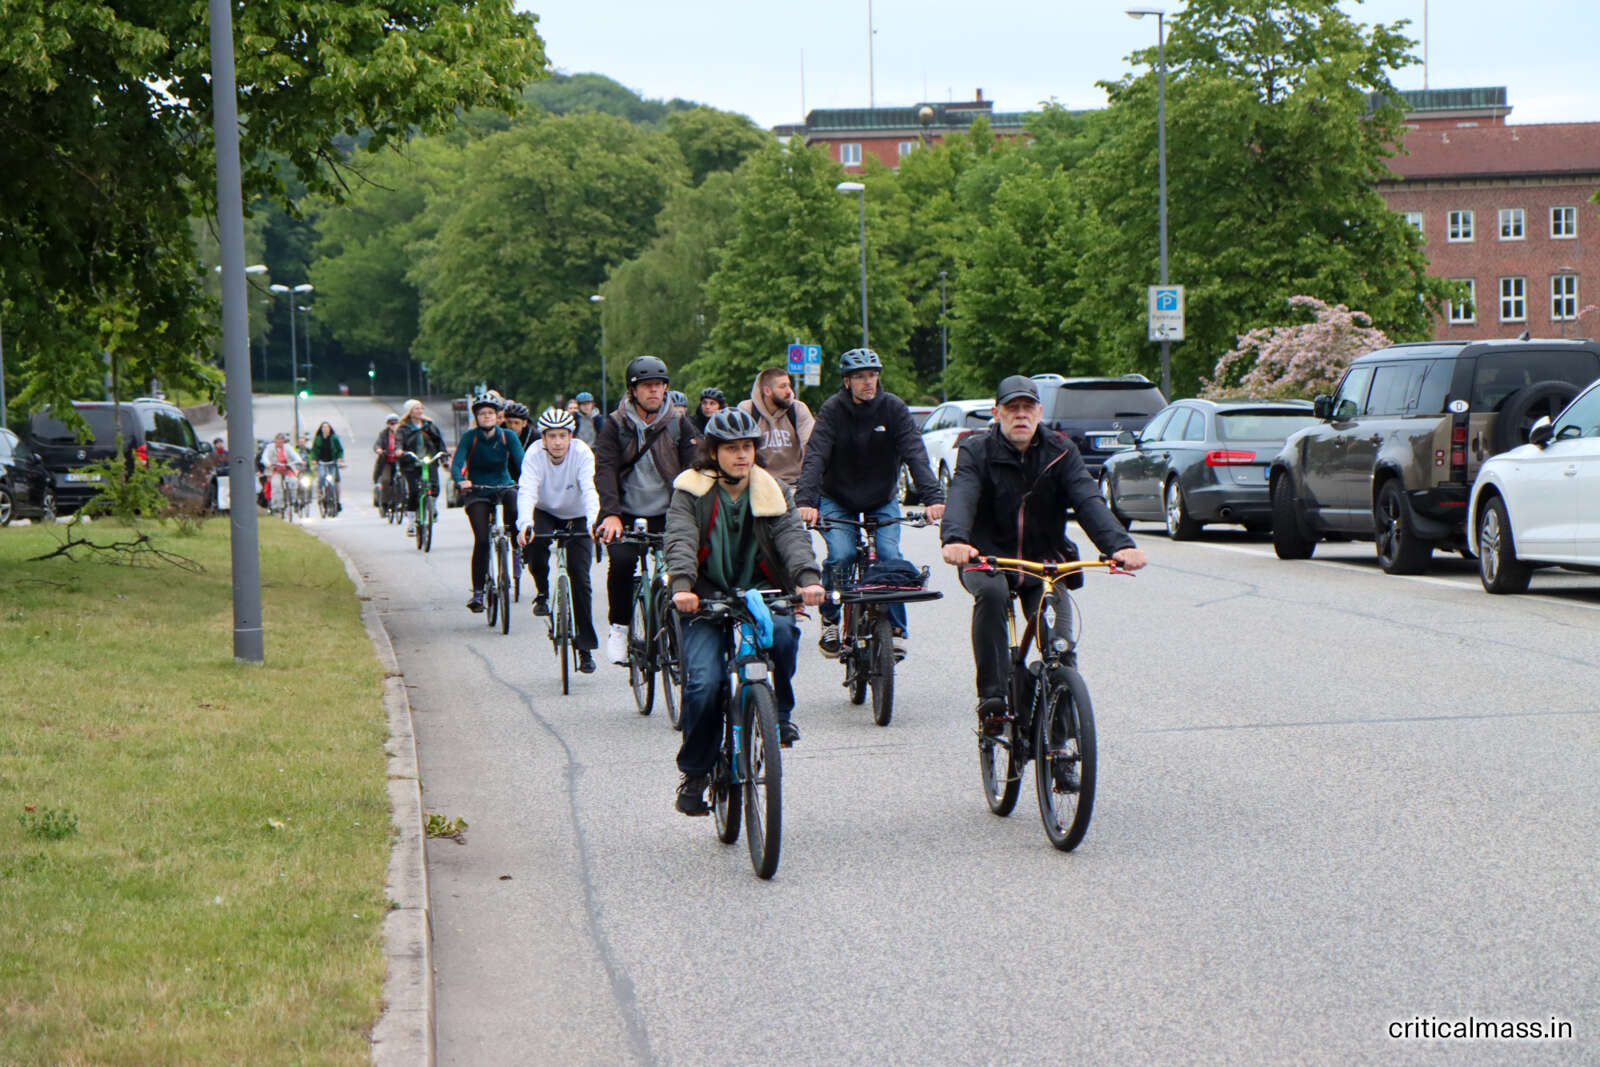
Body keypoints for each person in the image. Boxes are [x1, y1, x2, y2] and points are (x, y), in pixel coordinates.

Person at [939, 376, 1148, 738]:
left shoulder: (1061, 451)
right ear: (997, 413)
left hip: (1045, 561)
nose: (1020, 415)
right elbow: (963, 494)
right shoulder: (976, 451)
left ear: (1039, 412)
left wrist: (1119, 545)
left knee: (1059, 648)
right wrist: (955, 539)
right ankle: (992, 699)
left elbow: (1088, 500)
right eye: (1012, 408)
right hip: (987, 559)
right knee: (992, 595)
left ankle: (1062, 744)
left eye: (1028, 408)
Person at [664, 408, 826, 814]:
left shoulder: (771, 488)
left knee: (784, 634)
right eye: (732, 448)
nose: (742, 456)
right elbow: (681, 539)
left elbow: (792, 536)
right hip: (703, 596)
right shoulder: (691, 490)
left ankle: (779, 714)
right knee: (704, 684)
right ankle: (696, 773)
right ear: (713, 452)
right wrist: (682, 586)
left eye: (748, 447)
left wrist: (807, 579)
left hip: (760, 591)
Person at [796, 348, 944, 657]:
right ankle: (831, 620)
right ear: (847, 381)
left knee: (889, 555)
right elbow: (816, 456)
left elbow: (915, 453)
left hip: (881, 498)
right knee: (842, 554)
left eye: (873, 375)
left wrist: (933, 498)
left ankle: (896, 628)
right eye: (860, 376)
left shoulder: (893, 408)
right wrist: (806, 501)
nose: (868, 382)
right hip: (837, 497)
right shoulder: (833, 410)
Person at [593, 356, 698, 666]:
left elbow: (695, 465)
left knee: (681, 565)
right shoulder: (615, 425)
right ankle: (619, 628)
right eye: (648, 386)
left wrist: (696, 510)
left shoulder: (678, 423)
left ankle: (681, 631)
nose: (655, 391)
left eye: (660, 385)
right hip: (624, 512)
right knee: (622, 562)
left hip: (669, 511)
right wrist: (610, 513)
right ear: (633, 390)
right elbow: (605, 469)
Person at [517, 408, 601, 673]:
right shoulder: (533, 454)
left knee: (580, 578)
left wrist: (594, 522)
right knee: (535, 544)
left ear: (571, 436)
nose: (557, 442)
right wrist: (524, 523)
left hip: (577, 514)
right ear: (543, 438)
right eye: (551, 436)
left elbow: (589, 489)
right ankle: (542, 591)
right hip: (544, 510)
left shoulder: (582, 453)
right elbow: (527, 489)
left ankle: (585, 649)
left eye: (562, 436)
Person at [451, 395, 525, 613]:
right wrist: (460, 480)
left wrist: (527, 480)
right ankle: (478, 593)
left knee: (514, 504)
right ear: (476, 417)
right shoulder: (470, 437)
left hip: (503, 485)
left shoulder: (507, 436)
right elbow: (457, 464)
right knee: (482, 540)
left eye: (490, 413)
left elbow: (522, 462)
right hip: (477, 490)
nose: (486, 417)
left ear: (497, 416)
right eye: (482, 413)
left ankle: (516, 546)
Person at [739, 367, 814, 489]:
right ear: (767, 391)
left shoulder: (798, 409)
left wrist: (809, 484)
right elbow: (739, 447)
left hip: (793, 483)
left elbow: (811, 447)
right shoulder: (747, 410)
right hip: (758, 484)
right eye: (782, 386)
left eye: (789, 385)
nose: (789, 391)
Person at [397, 398, 448, 537]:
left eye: (421, 408)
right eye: (416, 408)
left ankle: (432, 505)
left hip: (429, 460)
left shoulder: (429, 426)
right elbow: (399, 442)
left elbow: (439, 442)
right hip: (412, 463)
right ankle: (411, 522)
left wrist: (443, 455)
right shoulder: (404, 428)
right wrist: (399, 450)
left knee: (435, 487)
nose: (420, 411)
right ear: (410, 412)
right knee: (414, 492)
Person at [258, 432, 304, 515]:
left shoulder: (288, 447)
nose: (280, 442)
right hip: (275, 469)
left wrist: (300, 461)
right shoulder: (270, 447)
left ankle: (293, 500)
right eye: (278, 440)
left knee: (293, 481)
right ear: (275, 440)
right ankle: (277, 506)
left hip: (287, 469)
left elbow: (294, 455)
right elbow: (265, 457)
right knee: (276, 485)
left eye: (282, 440)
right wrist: (268, 463)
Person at [305, 421, 344, 511]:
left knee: (332, 480)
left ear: (330, 429)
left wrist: (339, 458)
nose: (325, 429)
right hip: (322, 462)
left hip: (332, 462)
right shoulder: (318, 439)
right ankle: (320, 493)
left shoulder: (334, 438)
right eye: (324, 428)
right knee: (322, 477)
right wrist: (314, 459)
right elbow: (314, 450)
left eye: (327, 428)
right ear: (321, 429)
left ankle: (334, 498)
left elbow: (340, 450)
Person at [372, 413, 402, 507]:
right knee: (385, 480)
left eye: (396, 423)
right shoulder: (383, 434)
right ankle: (385, 502)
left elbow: (405, 443)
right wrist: (379, 450)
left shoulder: (402, 433)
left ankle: (401, 500)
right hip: (387, 461)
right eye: (391, 423)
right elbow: (377, 444)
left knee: (402, 480)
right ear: (388, 424)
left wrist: (401, 451)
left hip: (400, 461)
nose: (394, 425)